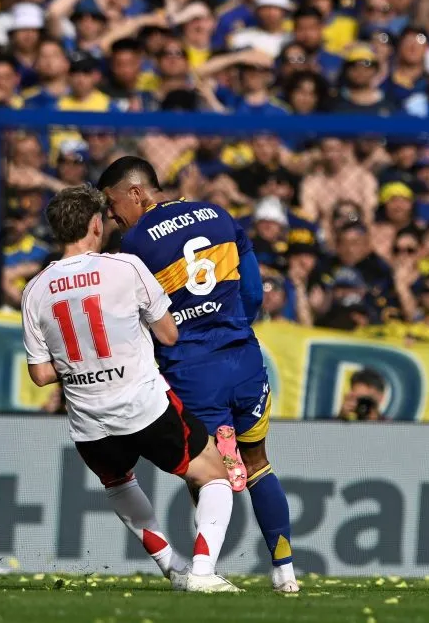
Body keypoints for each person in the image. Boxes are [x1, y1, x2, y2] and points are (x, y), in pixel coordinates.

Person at [20, 185, 237, 593]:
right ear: (96, 224)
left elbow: (41, 375)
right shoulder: (126, 267)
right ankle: (203, 574)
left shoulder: (35, 290)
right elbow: (169, 335)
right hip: (143, 405)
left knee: (119, 483)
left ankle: (173, 568)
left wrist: (82, 365)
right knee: (214, 476)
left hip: (88, 422)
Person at [97, 157, 298, 593]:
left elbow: (134, 320)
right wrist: (231, 327)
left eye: (113, 205)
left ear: (137, 193)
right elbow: (252, 291)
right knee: (259, 464)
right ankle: (285, 574)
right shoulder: (219, 215)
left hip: (190, 366)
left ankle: (205, 568)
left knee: (206, 471)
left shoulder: (134, 246)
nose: (112, 216)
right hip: (243, 357)